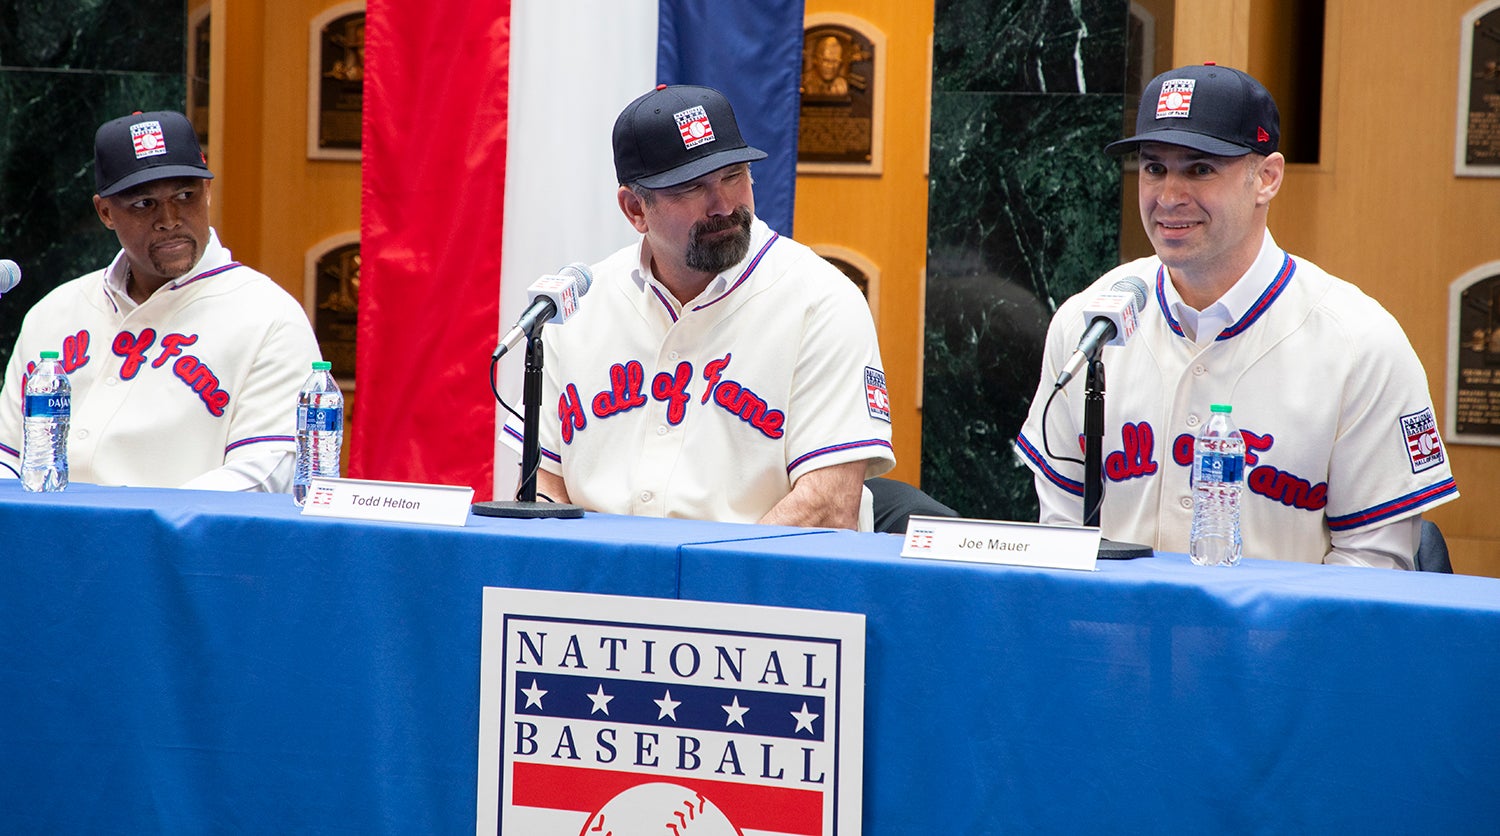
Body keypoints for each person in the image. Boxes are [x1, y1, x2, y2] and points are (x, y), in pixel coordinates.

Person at [1017, 64, 1458, 569]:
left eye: (1200, 169)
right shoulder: (1088, 325)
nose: (1168, 196)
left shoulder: (1361, 342)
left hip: (1276, 645)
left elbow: (1374, 568)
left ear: (1266, 178)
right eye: (1154, 167)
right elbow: (1058, 536)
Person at [502, 84, 894, 529]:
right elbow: (542, 488)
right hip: (599, 585)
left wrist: (693, 591)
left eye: (734, 175)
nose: (723, 205)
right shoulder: (576, 306)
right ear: (635, 209)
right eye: (691, 188)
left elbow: (827, 507)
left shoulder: (822, 301)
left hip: (752, 592)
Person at [0, 110, 321, 491]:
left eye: (185, 196)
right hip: (46, 542)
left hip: (174, 546)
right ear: (105, 212)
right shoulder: (56, 311)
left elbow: (265, 475)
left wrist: (138, 530)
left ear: (208, 193)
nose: (169, 219)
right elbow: (8, 457)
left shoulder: (270, 317)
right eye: (143, 203)